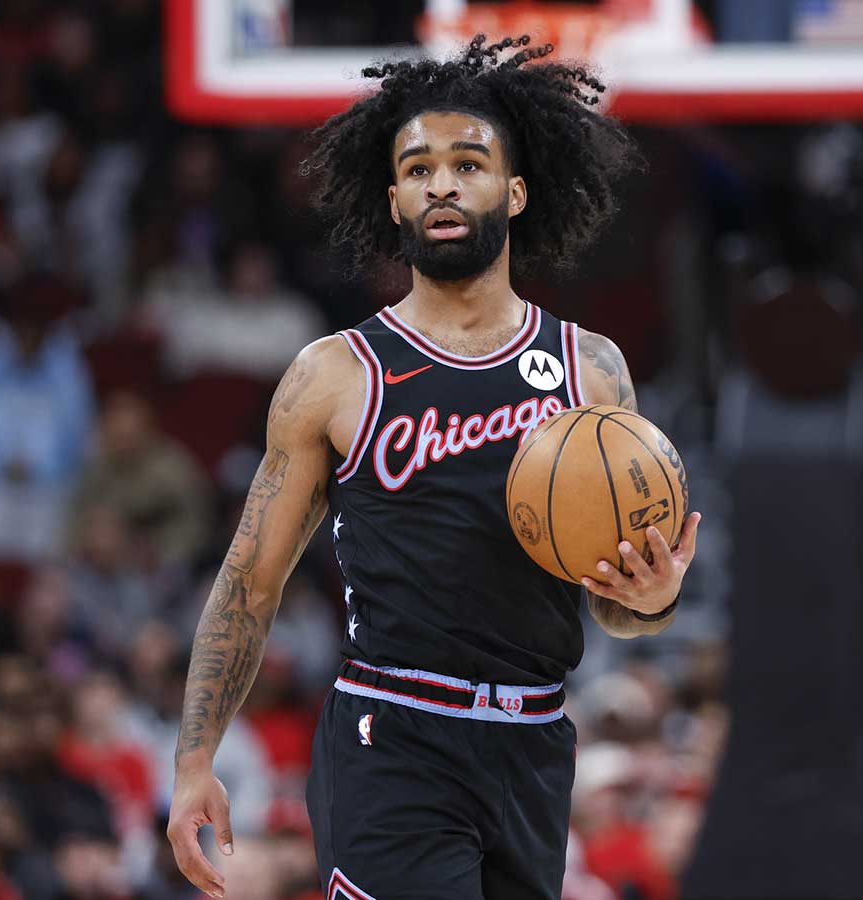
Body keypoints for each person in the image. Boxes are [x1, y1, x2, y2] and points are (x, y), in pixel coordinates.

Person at [166, 35, 702, 900]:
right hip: (396, 739)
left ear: (516, 191)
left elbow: (617, 603)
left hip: (534, 742)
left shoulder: (590, 370)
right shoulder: (336, 374)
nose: (441, 183)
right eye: (417, 169)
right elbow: (247, 584)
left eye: (468, 163)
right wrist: (193, 762)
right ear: (394, 199)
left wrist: (653, 597)